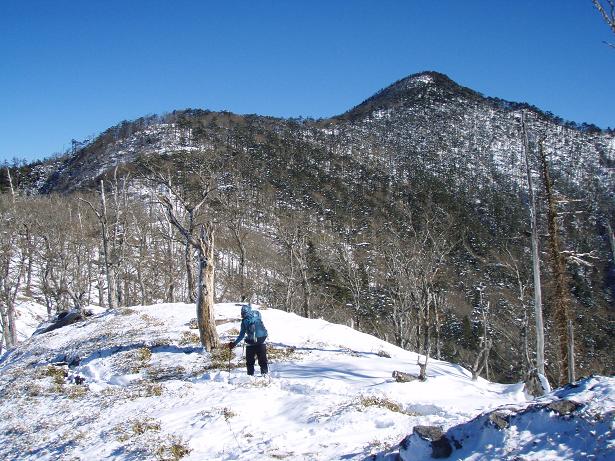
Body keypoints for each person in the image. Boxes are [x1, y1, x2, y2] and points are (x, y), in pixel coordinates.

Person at [228, 304, 269, 376]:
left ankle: (250, 376)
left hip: (251, 343)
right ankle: (265, 375)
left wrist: (234, 344)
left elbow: (241, 335)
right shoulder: (257, 314)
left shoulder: (244, 321)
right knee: (263, 361)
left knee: (250, 362)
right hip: (262, 340)